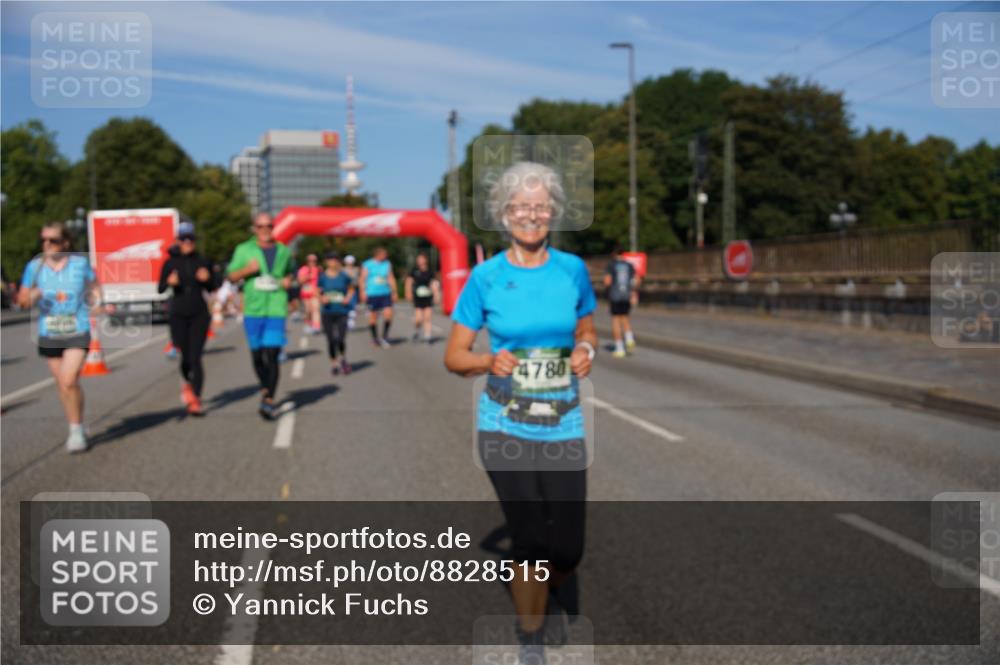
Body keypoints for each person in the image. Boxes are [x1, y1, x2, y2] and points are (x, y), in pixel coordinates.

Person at [444, 161, 597, 664]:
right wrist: (487, 361)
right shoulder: (485, 278)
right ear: (504, 214)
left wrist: (586, 351)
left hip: (563, 424)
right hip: (504, 424)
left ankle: (544, 587)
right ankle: (531, 636)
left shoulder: (572, 270)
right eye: (520, 207)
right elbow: (454, 356)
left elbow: (587, 330)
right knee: (530, 538)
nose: (531, 215)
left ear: (553, 212)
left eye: (540, 206)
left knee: (568, 549)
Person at [18, 222, 103, 453]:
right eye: (43, 240)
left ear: (65, 243)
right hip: (49, 332)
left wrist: (97, 302)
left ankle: (76, 432)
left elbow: (94, 285)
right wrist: (32, 295)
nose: (47, 244)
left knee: (69, 379)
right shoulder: (35, 267)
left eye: (53, 240)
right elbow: (22, 300)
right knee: (63, 385)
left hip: (78, 328)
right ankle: (76, 424)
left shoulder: (79, 264)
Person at [226, 212, 293, 420]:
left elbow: (289, 272)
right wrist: (247, 270)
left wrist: (288, 281)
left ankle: (269, 399)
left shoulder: (284, 251)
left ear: (274, 228)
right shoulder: (243, 249)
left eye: (269, 226)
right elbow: (231, 275)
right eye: (260, 226)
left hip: (276, 308)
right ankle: (265, 386)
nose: (265, 230)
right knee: (257, 355)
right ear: (254, 229)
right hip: (253, 310)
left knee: (272, 354)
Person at [158, 222, 214, 416]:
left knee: (196, 357)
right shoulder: (170, 263)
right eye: (184, 239)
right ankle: (187, 384)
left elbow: (213, 286)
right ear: (178, 241)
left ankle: (196, 399)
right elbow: (160, 288)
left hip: (199, 313)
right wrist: (169, 282)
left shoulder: (202, 261)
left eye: (190, 239)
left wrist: (208, 279)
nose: (187, 242)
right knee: (185, 357)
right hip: (178, 314)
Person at [317, 251, 355, 375]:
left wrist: (347, 298)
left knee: (341, 338)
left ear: (338, 262)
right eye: (330, 260)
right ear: (326, 262)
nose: (332, 262)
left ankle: (342, 358)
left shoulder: (344, 276)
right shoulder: (322, 277)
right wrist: (322, 298)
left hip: (342, 311)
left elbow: (351, 288)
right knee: (331, 340)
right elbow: (317, 290)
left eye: (335, 260)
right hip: (327, 311)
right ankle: (334, 363)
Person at [604, 246, 639, 357]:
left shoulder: (611, 265)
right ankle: (629, 338)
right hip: (626, 295)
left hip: (615, 296)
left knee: (616, 320)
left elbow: (607, 281)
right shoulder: (629, 265)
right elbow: (636, 280)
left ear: (614, 254)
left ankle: (620, 349)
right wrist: (633, 293)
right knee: (625, 317)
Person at [359, 246, 397, 348]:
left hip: (385, 292)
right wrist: (362, 291)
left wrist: (394, 291)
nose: (386, 256)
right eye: (384, 254)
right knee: (373, 317)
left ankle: (385, 336)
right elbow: (362, 278)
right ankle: (375, 338)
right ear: (378, 255)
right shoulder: (367, 264)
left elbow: (390, 277)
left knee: (388, 314)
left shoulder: (387, 264)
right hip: (372, 293)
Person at [405, 253, 440, 343]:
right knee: (418, 319)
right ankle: (417, 331)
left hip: (427, 297)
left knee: (427, 317)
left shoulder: (430, 272)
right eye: (418, 259)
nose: (420, 261)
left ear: (425, 260)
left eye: (421, 259)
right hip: (418, 297)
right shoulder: (414, 271)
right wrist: (408, 292)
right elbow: (409, 282)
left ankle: (428, 336)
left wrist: (436, 295)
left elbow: (434, 284)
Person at [297, 253, 322, 335]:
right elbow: (300, 281)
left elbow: (322, 280)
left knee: (316, 309)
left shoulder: (318, 269)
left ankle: (316, 326)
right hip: (305, 292)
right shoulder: (303, 269)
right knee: (308, 310)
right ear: (307, 261)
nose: (312, 262)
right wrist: (308, 276)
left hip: (315, 293)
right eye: (310, 260)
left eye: (314, 261)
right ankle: (308, 323)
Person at [343, 255, 360, 330]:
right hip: (344, 290)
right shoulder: (341, 270)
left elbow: (358, 280)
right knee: (344, 306)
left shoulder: (356, 269)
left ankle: (351, 323)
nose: (349, 263)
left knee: (352, 306)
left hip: (353, 289)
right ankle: (345, 322)